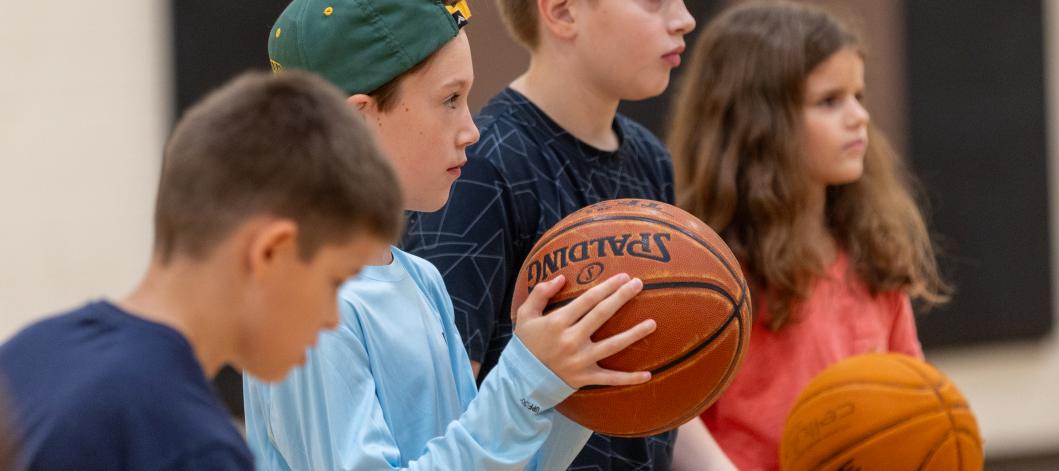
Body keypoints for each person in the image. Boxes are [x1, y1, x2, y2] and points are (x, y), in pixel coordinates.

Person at [244, 1, 658, 469]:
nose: (471, 130)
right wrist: (524, 380)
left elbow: (496, 461)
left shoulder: (420, 278)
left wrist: (571, 380)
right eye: (450, 100)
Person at [0, 70, 404, 470]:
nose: (333, 319)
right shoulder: (193, 448)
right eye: (335, 282)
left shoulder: (30, 352)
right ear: (269, 253)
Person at [404, 1, 736, 469]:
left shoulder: (649, 157)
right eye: (655, 2)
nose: (684, 18)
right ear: (562, 12)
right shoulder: (483, 168)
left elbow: (665, 367)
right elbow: (446, 405)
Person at [666, 2, 952, 469]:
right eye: (829, 101)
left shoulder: (870, 252)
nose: (859, 116)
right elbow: (672, 417)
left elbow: (913, 397)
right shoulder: (704, 274)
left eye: (858, 95)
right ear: (758, 125)